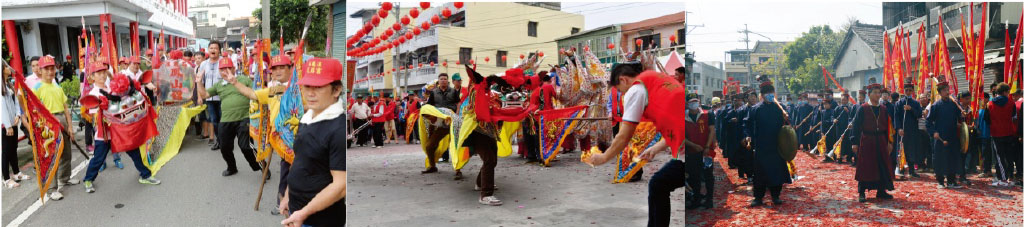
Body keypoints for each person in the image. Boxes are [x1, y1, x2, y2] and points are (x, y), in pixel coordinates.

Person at [586, 63, 684, 227]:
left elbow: (624, 136)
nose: (623, 95)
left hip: (688, 151)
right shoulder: (654, 78)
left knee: (658, 184)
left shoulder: (636, 89)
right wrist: (655, 148)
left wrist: (603, 157)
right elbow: (677, 124)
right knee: (658, 185)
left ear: (623, 80)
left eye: (621, 91)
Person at [277, 58, 346, 227]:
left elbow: (341, 185)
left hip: (320, 219)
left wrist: (304, 213)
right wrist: (287, 195)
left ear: (336, 90)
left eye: (318, 87)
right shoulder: (307, 118)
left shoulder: (338, 129)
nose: (310, 93)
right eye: (307, 86)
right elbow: (300, 160)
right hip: (297, 211)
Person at [80, 62, 162, 193]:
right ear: (92, 76)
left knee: (134, 152)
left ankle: (145, 175)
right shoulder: (93, 93)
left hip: (121, 131)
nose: (102, 75)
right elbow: (94, 115)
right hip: (105, 134)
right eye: (98, 73)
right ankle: (88, 180)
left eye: (103, 72)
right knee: (99, 159)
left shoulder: (112, 86)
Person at [227, 55, 293, 214]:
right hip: (282, 140)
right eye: (274, 69)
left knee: (298, 173)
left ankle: (293, 205)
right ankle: (282, 203)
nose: (277, 71)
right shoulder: (274, 90)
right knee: (286, 172)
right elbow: (253, 94)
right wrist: (235, 82)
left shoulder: (301, 88)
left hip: (299, 139)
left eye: (282, 67)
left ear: (291, 69)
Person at [196, 57, 263, 176]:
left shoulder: (244, 79)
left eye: (228, 68)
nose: (225, 71)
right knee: (224, 147)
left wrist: (235, 82)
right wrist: (199, 82)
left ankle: (262, 167)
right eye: (222, 69)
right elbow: (205, 94)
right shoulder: (219, 85)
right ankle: (232, 167)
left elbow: (255, 93)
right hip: (226, 120)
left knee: (246, 147)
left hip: (244, 118)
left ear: (233, 68)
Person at [32, 56, 80, 200]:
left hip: (62, 121)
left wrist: (70, 127)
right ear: (40, 71)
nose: (50, 71)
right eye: (46, 69)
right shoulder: (37, 89)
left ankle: (64, 178)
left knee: (66, 153)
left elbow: (65, 109)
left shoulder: (57, 87)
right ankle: (52, 189)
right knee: (52, 156)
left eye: (52, 68)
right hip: (48, 125)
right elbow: (34, 112)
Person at [742, 80, 791, 207]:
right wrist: (748, 136)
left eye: (771, 92)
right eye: (767, 93)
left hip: (777, 145)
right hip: (762, 146)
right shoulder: (755, 109)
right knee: (760, 173)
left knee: (776, 172)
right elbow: (747, 124)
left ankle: (776, 196)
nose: (770, 95)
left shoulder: (781, 108)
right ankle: (758, 197)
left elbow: (788, 128)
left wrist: (787, 119)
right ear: (762, 95)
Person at [850, 83, 894, 202]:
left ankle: (881, 191)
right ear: (869, 95)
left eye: (879, 92)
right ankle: (862, 192)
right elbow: (856, 126)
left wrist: (889, 142)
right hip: (867, 140)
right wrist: (854, 142)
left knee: (881, 165)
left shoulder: (884, 109)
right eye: (875, 92)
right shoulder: (862, 108)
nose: (878, 95)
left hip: (881, 140)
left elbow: (888, 127)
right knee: (865, 166)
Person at [926, 81, 964, 189]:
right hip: (941, 136)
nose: (947, 92)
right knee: (940, 159)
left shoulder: (954, 104)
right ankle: (940, 181)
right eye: (944, 90)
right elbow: (928, 122)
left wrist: (963, 114)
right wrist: (934, 132)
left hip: (952, 135)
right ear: (940, 92)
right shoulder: (935, 106)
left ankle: (951, 181)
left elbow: (960, 117)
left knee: (952, 158)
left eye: (948, 90)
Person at [684, 94, 716, 210]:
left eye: (696, 101)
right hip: (692, 151)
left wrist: (707, 146)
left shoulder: (708, 114)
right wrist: (693, 145)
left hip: (707, 151)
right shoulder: (683, 117)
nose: (694, 104)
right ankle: (696, 199)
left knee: (708, 175)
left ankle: (709, 200)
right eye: (692, 102)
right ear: (687, 104)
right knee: (694, 176)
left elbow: (712, 131)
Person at [2, 65, 30, 188]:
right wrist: (7, 126)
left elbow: (16, 102)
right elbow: (1, 108)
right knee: (6, 151)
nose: (9, 68)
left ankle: (16, 172)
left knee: (13, 148)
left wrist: (18, 115)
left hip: (13, 122)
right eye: (6, 67)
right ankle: (6, 179)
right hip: (5, 125)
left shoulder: (8, 84)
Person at [987, 83, 1017, 186]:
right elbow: (1013, 116)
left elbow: (987, 120)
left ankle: (1002, 179)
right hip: (1009, 132)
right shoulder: (1011, 103)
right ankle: (1011, 178)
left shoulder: (990, 104)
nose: (1009, 94)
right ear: (1004, 92)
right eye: (1008, 92)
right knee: (1009, 156)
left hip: (996, 134)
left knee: (999, 157)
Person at [893, 83, 922, 178]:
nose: (908, 92)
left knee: (912, 150)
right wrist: (899, 128)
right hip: (902, 131)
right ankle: (900, 169)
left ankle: (912, 170)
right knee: (901, 149)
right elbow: (896, 117)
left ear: (912, 91)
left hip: (912, 130)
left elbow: (919, 115)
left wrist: (911, 109)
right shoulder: (899, 103)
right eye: (906, 90)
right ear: (904, 91)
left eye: (910, 90)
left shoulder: (916, 103)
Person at [200, 42, 224, 150]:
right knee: (214, 120)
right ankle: (219, 141)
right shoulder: (203, 64)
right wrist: (201, 96)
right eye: (211, 48)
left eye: (215, 48)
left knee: (223, 120)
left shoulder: (224, 62)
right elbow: (200, 81)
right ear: (208, 50)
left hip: (223, 97)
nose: (213, 50)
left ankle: (224, 140)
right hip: (209, 97)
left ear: (219, 50)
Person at [956, 91, 976, 185]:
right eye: (966, 99)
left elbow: (972, 121)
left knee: (964, 155)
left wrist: (971, 126)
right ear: (961, 99)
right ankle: (959, 175)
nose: (968, 100)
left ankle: (962, 175)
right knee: (958, 156)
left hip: (967, 136)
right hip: (957, 136)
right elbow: (954, 122)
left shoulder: (969, 109)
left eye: (969, 98)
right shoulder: (957, 109)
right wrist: (963, 126)